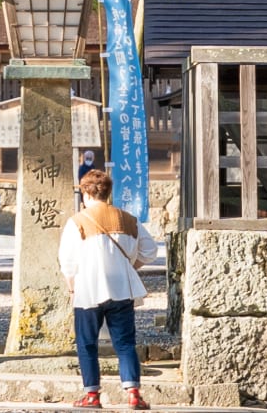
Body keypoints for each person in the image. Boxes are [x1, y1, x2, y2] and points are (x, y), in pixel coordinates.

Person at [60, 169, 158, 409]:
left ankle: (92, 394)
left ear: (85, 193)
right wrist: (130, 266)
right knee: (124, 343)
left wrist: (72, 288)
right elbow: (150, 250)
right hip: (122, 287)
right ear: (108, 192)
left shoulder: (78, 221)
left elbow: (68, 262)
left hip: (88, 287)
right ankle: (133, 393)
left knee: (87, 343)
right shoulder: (128, 219)